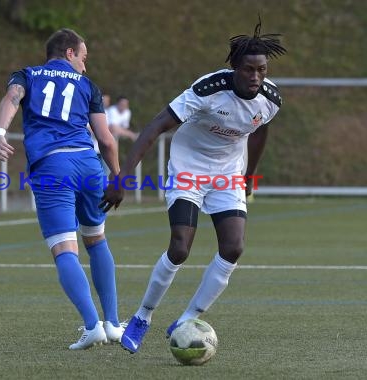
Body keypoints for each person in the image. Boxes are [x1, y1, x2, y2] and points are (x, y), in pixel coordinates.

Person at [100, 20, 287, 353]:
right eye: (249, 70)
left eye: (261, 70)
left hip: (228, 173)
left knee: (233, 248)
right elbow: (157, 125)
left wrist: (248, 177)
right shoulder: (208, 89)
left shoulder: (270, 98)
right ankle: (143, 317)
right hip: (188, 168)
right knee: (180, 248)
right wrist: (122, 178)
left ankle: (187, 319)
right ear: (234, 68)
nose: (256, 76)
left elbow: (260, 130)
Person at [0, 28, 123, 350]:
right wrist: (118, 176)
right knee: (96, 238)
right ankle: (114, 323)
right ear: (69, 53)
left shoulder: (27, 75)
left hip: (53, 166)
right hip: (88, 164)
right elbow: (106, 139)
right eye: (83, 57)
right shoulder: (88, 86)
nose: (85, 65)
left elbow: (12, 98)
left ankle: (92, 326)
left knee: (65, 249)